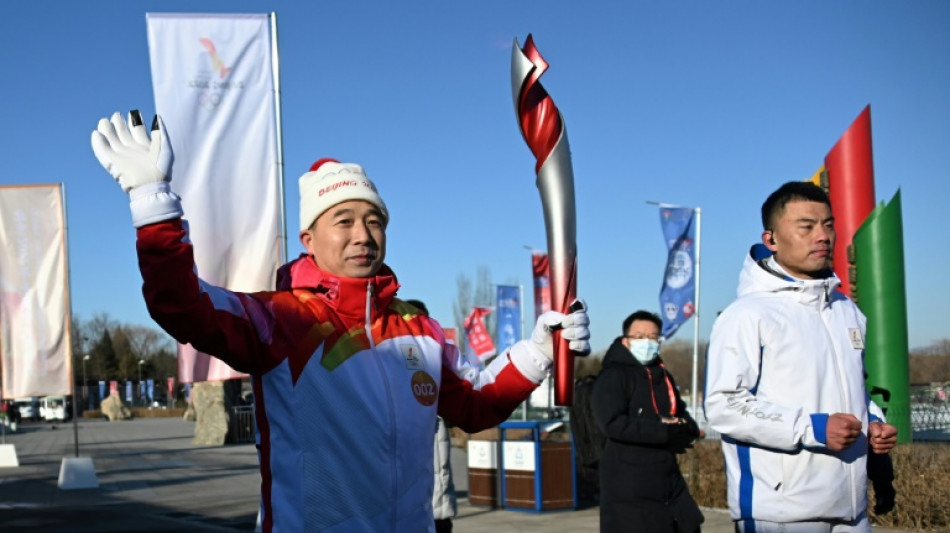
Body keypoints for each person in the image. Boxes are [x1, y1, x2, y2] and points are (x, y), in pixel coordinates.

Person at [90, 110, 590, 533]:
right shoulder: (280, 319)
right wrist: (153, 202)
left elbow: (476, 403)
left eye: (374, 221)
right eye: (344, 221)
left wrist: (539, 350)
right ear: (309, 237)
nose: (363, 236)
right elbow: (180, 305)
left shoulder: (418, 328)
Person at [704, 181, 898, 533]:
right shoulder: (746, 314)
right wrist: (814, 428)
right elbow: (723, 405)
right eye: (806, 227)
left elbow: (854, 388)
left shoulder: (846, 310)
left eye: (828, 225)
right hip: (782, 510)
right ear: (771, 240)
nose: (822, 236)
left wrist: (872, 422)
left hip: (852, 507)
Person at [590, 310, 703, 533]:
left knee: (687, 525)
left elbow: (683, 416)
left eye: (653, 337)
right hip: (628, 481)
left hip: (667, 478)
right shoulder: (613, 376)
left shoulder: (663, 376)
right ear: (626, 341)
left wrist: (685, 429)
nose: (647, 342)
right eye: (639, 337)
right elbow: (612, 423)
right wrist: (663, 432)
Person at [405, 299, 458, 533]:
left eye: (425, 323)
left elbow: (466, 410)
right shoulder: (392, 367)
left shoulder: (437, 368)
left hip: (440, 510)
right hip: (409, 513)